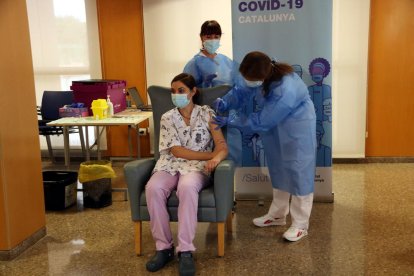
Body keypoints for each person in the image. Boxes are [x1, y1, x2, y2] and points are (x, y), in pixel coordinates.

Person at [213, 51, 316, 242]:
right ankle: (277, 215)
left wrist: (231, 119)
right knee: (278, 169)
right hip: (275, 128)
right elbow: (241, 90)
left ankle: (301, 225)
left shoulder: (286, 88)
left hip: (297, 128)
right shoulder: (260, 73)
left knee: (298, 171)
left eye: (251, 78)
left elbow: (262, 120)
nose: (247, 81)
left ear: (263, 77)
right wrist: (225, 102)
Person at [145, 73, 228, 275]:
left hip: (196, 169)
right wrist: (210, 154)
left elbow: (223, 146)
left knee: (187, 187)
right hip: (170, 164)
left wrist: (217, 158)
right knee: (153, 188)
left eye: (181, 90)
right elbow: (176, 151)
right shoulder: (167, 117)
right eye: (173, 91)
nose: (176, 95)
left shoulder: (208, 114)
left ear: (193, 92)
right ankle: (163, 248)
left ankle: (185, 251)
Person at [183, 20, 234, 88]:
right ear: (201, 37)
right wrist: (205, 86)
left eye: (216, 37)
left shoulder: (226, 61)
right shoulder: (194, 64)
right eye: (208, 37)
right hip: (206, 99)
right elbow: (186, 91)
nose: (213, 40)